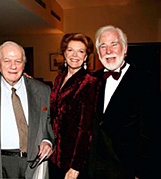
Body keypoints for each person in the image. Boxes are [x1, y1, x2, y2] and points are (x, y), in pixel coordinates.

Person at [90, 25, 161, 179]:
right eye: (103, 46)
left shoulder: (146, 81)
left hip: (127, 170)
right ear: (98, 52)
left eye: (114, 44)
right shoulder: (91, 81)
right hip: (93, 169)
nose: (108, 51)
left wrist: (142, 172)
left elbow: (152, 131)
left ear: (125, 48)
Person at [0, 41, 54, 178]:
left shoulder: (42, 90)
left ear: (24, 64)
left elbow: (49, 123)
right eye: (7, 61)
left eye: (18, 61)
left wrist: (47, 141)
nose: (13, 66)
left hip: (34, 163)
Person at [49, 33, 101, 179]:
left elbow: (86, 129)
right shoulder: (59, 78)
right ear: (64, 53)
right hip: (54, 155)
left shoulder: (89, 83)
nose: (75, 55)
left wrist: (76, 166)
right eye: (70, 50)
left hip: (72, 160)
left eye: (81, 51)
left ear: (86, 57)